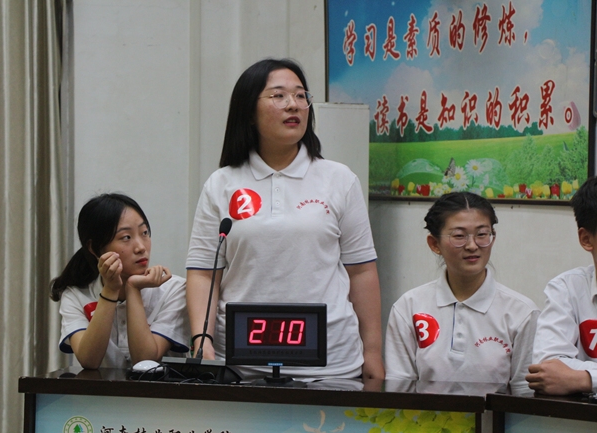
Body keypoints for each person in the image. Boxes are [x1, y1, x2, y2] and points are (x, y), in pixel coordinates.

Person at [185, 58, 384, 381]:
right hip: (240, 362)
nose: (293, 104)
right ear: (249, 112)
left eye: (301, 95)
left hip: (330, 363)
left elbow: (361, 271)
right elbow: (204, 274)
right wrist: (202, 339)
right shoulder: (221, 184)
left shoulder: (339, 179)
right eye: (278, 96)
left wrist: (373, 352)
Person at [385, 192, 539, 394]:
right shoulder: (409, 307)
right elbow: (399, 387)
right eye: (459, 236)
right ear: (434, 244)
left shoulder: (522, 313)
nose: (472, 246)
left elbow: (524, 393)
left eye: (482, 234)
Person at [51, 193, 189, 369]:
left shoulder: (174, 289)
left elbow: (145, 360)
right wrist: (110, 290)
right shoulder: (76, 295)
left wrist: (133, 288)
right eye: (126, 237)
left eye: (144, 233)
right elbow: (89, 360)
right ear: (94, 248)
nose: (141, 247)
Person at [526, 177, 597, 395]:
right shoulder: (566, 288)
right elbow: (548, 366)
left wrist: (585, 379)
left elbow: (566, 374)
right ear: (586, 239)